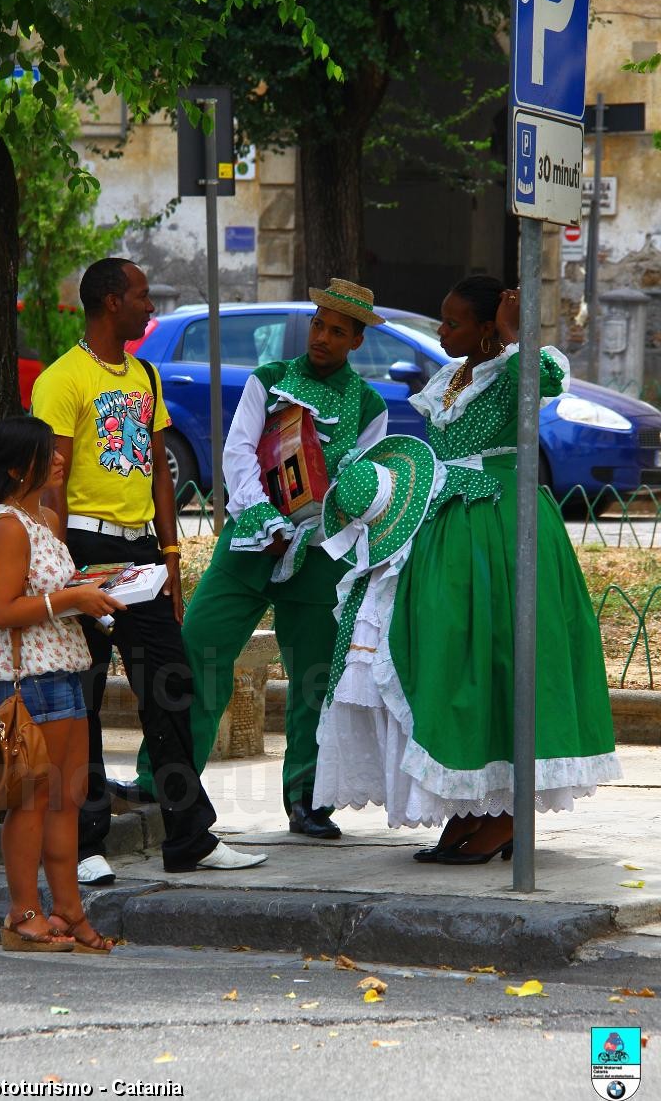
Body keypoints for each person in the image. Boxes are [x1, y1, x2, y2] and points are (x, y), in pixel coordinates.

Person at [314, 276, 621, 861]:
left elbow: (549, 381)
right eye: (442, 318)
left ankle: (508, 816)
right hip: (449, 525)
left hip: (504, 526)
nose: (441, 329)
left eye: (453, 323)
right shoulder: (447, 378)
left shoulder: (511, 369)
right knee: (456, 660)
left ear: (484, 329)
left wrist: (512, 337)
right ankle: (480, 804)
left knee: (502, 656)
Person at [32, 257, 266, 882]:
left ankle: (188, 836)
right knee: (79, 698)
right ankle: (84, 845)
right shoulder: (62, 380)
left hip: (140, 556)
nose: (149, 306)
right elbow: (52, 484)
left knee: (171, 687)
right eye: (139, 295)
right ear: (111, 302)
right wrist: (59, 568)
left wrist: (170, 558)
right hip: (83, 550)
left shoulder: (145, 375)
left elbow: (161, 471)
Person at [130, 278, 389, 838]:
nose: (321, 337)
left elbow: (358, 484)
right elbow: (238, 451)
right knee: (197, 649)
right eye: (318, 324)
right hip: (250, 542)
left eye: (336, 331)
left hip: (321, 555)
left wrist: (318, 518)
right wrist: (261, 518)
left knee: (314, 679)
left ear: (356, 342)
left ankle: (307, 800)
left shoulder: (370, 407)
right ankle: (161, 782)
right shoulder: (269, 381)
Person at [0, 416, 121, 951]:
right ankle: (22, 914)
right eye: (47, 453)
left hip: (63, 668)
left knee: (67, 798)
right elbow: (3, 608)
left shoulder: (48, 520)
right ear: (18, 468)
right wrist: (74, 599)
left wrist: (93, 590)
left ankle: (69, 912)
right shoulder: (7, 525)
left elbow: (53, 593)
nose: (60, 458)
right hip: (24, 680)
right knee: (33, 802)